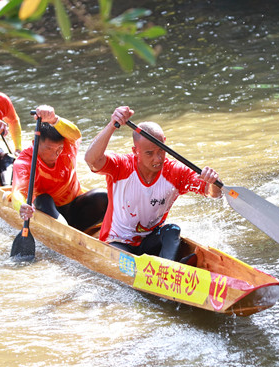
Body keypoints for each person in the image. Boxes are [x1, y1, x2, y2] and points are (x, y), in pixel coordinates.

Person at [84, 106, 222, 262]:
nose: (157, 159)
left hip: (149, 241)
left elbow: (214, 193)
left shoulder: (175, 172)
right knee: (122, 255)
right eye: (149, 153)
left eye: (161, 151)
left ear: (165, 144)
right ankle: (169, 266)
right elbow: (91, 160)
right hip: (117, 242)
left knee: (172, 230)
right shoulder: (121, 166)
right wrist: (112, 124)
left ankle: (168, 268)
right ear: (135, 151)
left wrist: (213, 182)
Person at [12, 105, 108, 232]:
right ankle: (65, 232)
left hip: (75, 209)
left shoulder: (68, 145)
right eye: (49, 149)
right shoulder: (24, 162)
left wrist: (54, 119)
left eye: (59, 149)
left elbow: (76, 134)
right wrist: (21, 206)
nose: (55, 154)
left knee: (103, 196)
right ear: (35, 143)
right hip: (49, 211)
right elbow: (18, 192)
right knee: (43, 199)